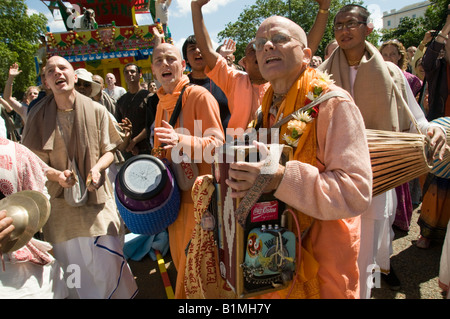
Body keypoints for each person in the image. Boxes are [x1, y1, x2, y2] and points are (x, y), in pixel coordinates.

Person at [223, 15, 372, 299]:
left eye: (279, 39)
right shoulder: (264, 110)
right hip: (272, 258)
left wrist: (280, 178)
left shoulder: (333, 105)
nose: (267, 46)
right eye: (259, 43)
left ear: (306, 54)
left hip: (321, 260)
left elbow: (356, 192)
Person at [319, 4, 447, 298]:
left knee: (368, 254)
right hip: (333, 177)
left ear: (368, 28)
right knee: (334, 250)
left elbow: (417, 118)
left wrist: (434, 130)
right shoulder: (320, 75)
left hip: (378, 175)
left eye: (350, 23)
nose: (343, 30)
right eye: (338, 25)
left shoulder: (390, 72)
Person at [21, 55, 138, 299]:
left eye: (62, 68)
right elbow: (31, 160)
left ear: (74, 75)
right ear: (46, 82)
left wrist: (97, 169)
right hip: (61, 211)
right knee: (74, 271)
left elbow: (110, 149)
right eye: (51, 70)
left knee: (107, 266)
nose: (57, 73)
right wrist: (56, 175)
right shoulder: (37, 116)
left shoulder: (96, 110)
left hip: (97, 203)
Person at [191, 0, 331, 136]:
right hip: (239, 152)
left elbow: (303, 49)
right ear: (244, 62)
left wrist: (324, 9)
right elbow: (207, 51)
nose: (266, 49)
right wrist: (196, 7)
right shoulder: (234, 80)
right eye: (256, 48)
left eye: (276, 41)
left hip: (277, 152)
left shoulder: (283, 80)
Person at [151, 42, 225, 299]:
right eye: (158, 61)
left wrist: (180, 141)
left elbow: (218, 146)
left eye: (170, 59)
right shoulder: (161, 101)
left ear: (182, 66)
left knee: (202, 271)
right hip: (174, 202)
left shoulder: (199, 96)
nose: (164, 65)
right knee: (182, 264)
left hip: (201, 202)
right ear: (153, 70)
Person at [0, 136, 68, 299]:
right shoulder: (14, 151)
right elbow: (40, 179)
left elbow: (43, 169)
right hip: (28, 276)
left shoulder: (15, 151)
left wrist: (60, 176)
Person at [379, 39, 422, 232]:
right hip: (381, 132)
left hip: (401, 132)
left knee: (399, 176)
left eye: (392, 54)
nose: (388, 57)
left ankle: (400, 218)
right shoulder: (374, 76)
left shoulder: (410, 79)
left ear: (400, 56)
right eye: (385, 54)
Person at [416, 8, 450, 250]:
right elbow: (426, 61)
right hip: (439, 127)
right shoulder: (437, 66)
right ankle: (427, 233)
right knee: (435, 180)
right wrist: (446, 27)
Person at [182, 34, 231, 130]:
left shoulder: (225, 80)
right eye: (192, 48)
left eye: (201, 47)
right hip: (194, 142)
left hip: (227, 141)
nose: (197, 51)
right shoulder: (181, 86)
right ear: (186, 58)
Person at [115, 63, 154, 159]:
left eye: (132, 71)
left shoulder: (149, 97)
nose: (130, 74)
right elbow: (119, 125)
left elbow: (152, 124)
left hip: (147, 148)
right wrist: (129, 144)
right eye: (126, 72)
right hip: (129, 150)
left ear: (139, 74)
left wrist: (134, 141)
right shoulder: (121, 100)